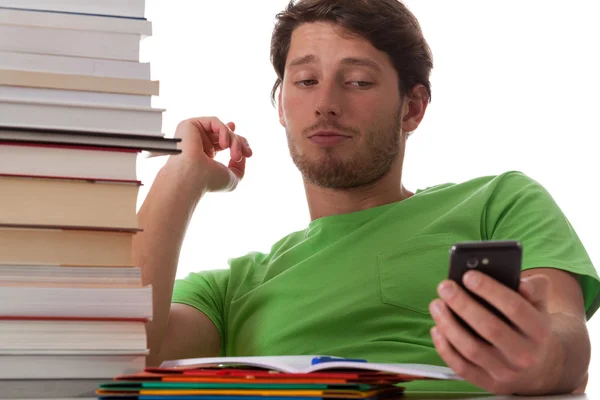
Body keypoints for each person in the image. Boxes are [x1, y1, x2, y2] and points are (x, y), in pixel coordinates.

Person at [133, 0, 600, 395]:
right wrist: (181, 175)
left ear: (412, 108)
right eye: (306, 81)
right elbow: (125, 351)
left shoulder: (498, 201)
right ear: (281, 105)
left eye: (357, 81)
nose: (326, 103)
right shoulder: (228, 291)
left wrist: (547, 360)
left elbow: (565, 333)